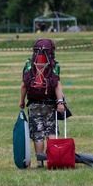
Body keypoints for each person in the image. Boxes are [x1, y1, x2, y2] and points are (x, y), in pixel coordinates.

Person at [19, 39, 65, 168]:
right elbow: (57, 85)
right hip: (50, 103)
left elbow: (24, 85)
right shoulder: (55, 65)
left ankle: (40, 163)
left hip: (33, 104)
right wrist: (60, 102)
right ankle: (53, 159)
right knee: (51, 130)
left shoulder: (29, 64)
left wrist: (22, 101)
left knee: (38, 134)